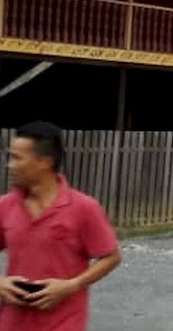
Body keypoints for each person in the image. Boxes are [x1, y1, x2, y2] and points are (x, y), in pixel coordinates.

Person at [0, 121, 122, 331]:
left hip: (64, 323)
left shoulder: (84, 208)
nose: (10, 165)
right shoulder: (5, 206)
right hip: (13, 323)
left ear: (44, 162)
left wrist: (72, 285)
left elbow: (111, 257)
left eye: (17, 158)